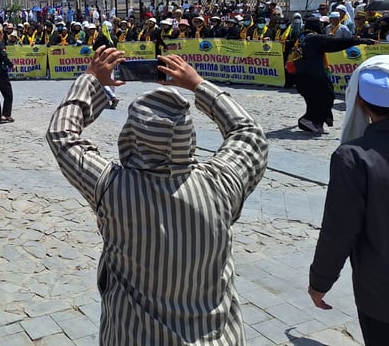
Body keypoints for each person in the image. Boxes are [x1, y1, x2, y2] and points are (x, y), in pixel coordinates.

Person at [46, 49, 268, 344]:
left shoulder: (113, 188)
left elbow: (62, 136)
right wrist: (198, 84)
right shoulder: (221, 183)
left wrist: (91, 80)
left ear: (130, 135)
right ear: (188, 134)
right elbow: (249, 133)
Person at [308, 55, 389, 345]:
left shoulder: (354, 157)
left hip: (386, 299)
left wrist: (319, 282)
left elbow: (339, 230)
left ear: (359, 102)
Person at [294, 16, 374, 133]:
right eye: (319, 24)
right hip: (314, 76)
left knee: (314, 99)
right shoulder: (314, 38)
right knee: (326, 97)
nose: (322, 26)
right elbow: (336, 43)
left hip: (302, 75)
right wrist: (360, 41)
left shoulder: (302, 37)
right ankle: (309, 120)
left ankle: (314, 122)